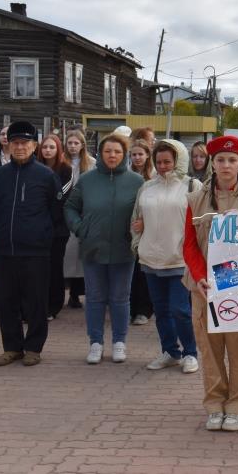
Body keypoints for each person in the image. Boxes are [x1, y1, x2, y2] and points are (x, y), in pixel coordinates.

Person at [183, 135, 238, 432]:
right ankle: (215, 403)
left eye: (232, 160)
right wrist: (199, 276)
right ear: (212, 162)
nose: (226, 165)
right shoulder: (196, 199)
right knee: (210, 347)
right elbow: (189, 245)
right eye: (220, 160)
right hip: (205, 286)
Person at [64, 133, 144, 364]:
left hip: (123, 249)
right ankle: (95, 343)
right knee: (96, 298)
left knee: (120, 298)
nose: (112, 155)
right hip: (93, 248)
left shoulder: (136, 182)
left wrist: (141, 226)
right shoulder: (88, 180)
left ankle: (119, 342)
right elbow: (70, 207)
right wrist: (80, 228)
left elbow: (144, 211)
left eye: (117, 152)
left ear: (124, 155)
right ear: (100, 153)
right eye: (108, 151)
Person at [0, 121, 63, 367]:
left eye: (25, 143)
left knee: (36, 301)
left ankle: (33, 347)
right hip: (4, 249)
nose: (20, 147)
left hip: (36, 250)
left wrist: (42, 236)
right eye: (15, 142)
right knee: (6, 300)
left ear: (34, 146)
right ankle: (11, 347)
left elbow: (56, 211)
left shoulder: (46, 175)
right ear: (8, 145)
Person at [131, 139, 202, 375]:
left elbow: (202, 222)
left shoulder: (193, 186)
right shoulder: (147, 187)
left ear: (178, 160)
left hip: (180, 258)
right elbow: (136, 219)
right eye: (159, 162)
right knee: (160, 310)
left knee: (180, 309)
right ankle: (170, 351)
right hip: (150, 257)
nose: (162, 166)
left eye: (167, 162)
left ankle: (190, 352)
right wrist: (137, 239)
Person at [39, 134, 73, 320]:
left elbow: (62, 197)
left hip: (58, 228)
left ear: (58, 149)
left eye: (52, 147)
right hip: (36, 227)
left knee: (54, 266)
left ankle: (53, 306)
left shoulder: (65, 169)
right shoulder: (35, 167)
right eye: (45, 147)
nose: (48, 150)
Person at [64, 130, 94, 309]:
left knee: (82, 257)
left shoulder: (91, 164)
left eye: (76, 143)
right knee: (68, 257)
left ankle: (78, 293)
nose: (73, 146)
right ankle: (70, 293)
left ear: (82, 145)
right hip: (66, 212)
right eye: (70, 143)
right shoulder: (62, 162)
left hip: (84, 213)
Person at [127, 138, 155, 327]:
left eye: (140, 154)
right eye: (134, 154)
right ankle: (130, 307)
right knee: (131, 271)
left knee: (143, 272)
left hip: (149, 228)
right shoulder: (127, 175)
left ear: (147, 155)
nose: (137, 158)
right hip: (130, 226)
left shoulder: (153, 177)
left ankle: (144, 310)